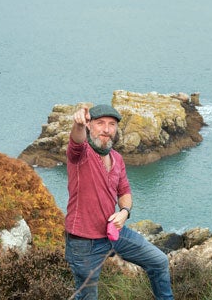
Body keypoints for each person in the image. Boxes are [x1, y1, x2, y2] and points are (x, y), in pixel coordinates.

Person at [64, 103, 173, 300]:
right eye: (100, 123)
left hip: (114, 234)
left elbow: (125, 191)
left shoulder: (117, 158)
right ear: (90, 126)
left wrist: (124, 212)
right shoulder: (81, 155)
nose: (106, 129)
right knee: (87, 296)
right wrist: (78, 123)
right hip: (84, 242)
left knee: (159, 261)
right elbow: (76, 142)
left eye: (112, 124)